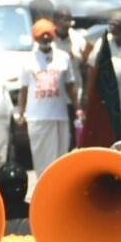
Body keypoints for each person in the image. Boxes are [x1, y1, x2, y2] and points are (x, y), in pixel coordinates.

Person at [18, 19, 79, 178]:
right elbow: (23, 89)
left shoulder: (63, 57)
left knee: (60, 160)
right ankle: (43, 192)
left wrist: (78, 109)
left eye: (48, 34)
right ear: (35, 38)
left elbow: (70, 86)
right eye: (41, 35)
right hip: (37, 118)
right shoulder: (28, 59)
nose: (45, 38)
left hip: (59, 116)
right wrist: (21, 113)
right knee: (42, 160)